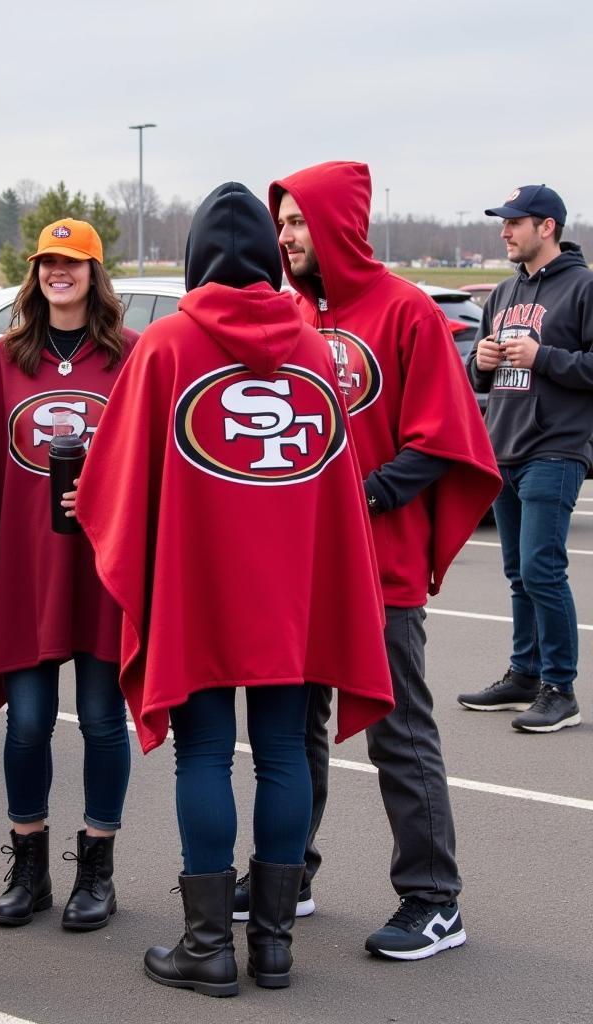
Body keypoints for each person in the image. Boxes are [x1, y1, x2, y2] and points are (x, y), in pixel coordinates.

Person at [76, 183, 395, 998]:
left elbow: (114, 474)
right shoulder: (317, 347)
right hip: (293, 588)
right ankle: (277, 947)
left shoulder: (167, 344)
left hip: (199, 585)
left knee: (206, 752)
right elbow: (335, 476)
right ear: (263, 255)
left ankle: (209, 947)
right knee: (286, 751)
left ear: (193, 261)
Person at [267, 161, 501, 961]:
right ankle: (288, 872)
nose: (287, 236)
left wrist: (355, 498)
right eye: (283, 222)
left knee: (399, 732)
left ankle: (435, 901)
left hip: (381, 565)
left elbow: (442, 441)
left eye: (299, 221)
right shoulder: (287, 311)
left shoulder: (405, 312)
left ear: (337, 224)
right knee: (293, 727)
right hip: (301, 569)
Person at [0, 219, 138, 930]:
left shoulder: (130, 356)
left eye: (73, 262)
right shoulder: (3, 362)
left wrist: (105, 492)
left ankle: (98, 867)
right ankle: (28, 865)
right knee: (26, 723)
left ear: (94, 273)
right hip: (27, 569)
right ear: (35, 274)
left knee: (99, 720)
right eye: (49, 263)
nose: (60, 273)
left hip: (99, 569)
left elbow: (150, 462)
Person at [458, 185, 593, 733]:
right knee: (518, 573)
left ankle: (560, 689)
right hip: (505, 446)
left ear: (547, 227)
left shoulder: (583, 287)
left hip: (556, 447)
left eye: (514, 222)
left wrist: (545, 356)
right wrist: (482, 362)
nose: (504, 231)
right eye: (503, 222)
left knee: (542, 567)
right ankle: (524, 675)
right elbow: (474, 377)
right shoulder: (503, 293)